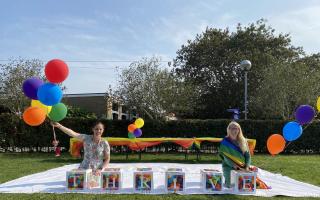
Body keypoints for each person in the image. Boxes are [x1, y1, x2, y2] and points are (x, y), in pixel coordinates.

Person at [219, 121, 270, 189]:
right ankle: (227, 181)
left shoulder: (243, 141)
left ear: (239, 130)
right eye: (232, 128)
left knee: (249, 184)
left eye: (236, 128)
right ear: (228, 129)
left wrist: (247, 167)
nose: (234, 130)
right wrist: (236, 167)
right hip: (229, 166)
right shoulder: (224, 141)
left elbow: (248, 156)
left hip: (243, 166)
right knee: (232, 185)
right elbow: (225, 158)